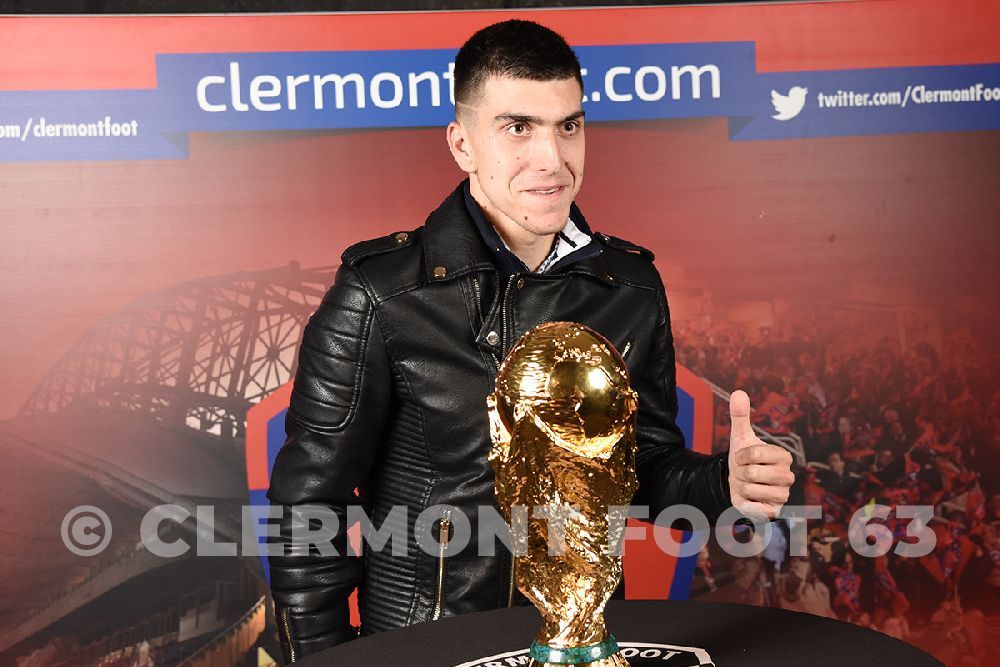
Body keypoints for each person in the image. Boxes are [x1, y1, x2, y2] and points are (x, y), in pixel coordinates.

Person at [265, 19, 794, 662]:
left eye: (567, 125)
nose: (551, 158)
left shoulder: (628, 286)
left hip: (584, 645)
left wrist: (723, 483)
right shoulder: (380, 293)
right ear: (462, 144)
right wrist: (329, 663)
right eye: (519, 127)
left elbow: (642, 468)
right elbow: (305, 506)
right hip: (428, 646)